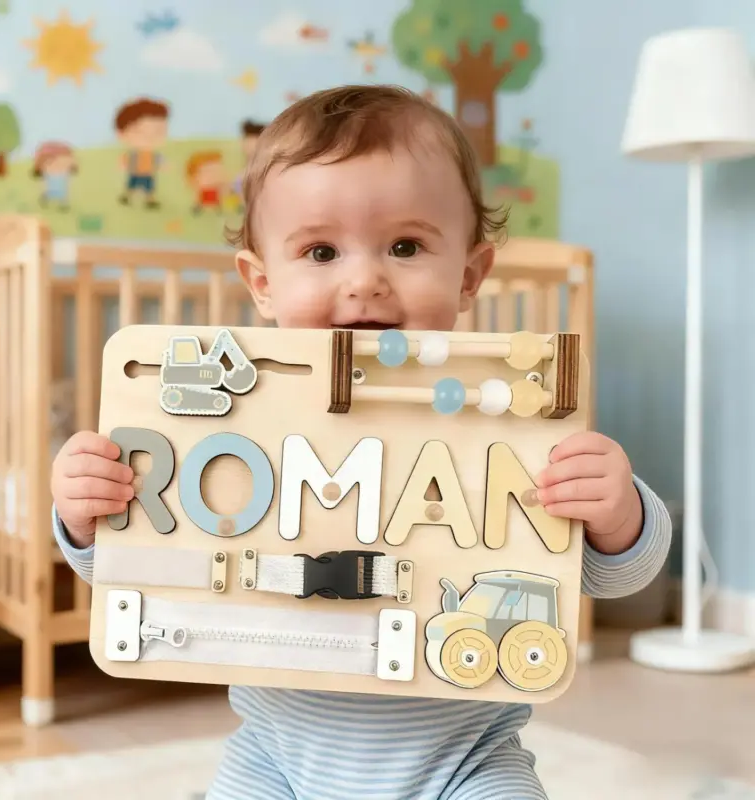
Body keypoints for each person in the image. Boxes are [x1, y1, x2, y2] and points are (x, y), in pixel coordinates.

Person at [50, 85, 672, 800]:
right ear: (262, 283)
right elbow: (144, 566)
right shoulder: (231, 419)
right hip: (275, 760)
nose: (364, 281)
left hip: (465, 761)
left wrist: (618, 515)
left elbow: (605, 576)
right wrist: (86, 513)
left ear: (469, 275)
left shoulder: (501, 416)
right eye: (320, 251)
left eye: (405, 246)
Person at [114, 97, 170, 209]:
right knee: (131, 185)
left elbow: (160, 161)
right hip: (135, 172)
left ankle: (150, 200)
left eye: (158, 132)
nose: (149, 138)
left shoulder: (154, 155)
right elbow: (125, 160)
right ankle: (126, 197)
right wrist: (122, 165)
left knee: (149, 188)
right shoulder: (133, 154)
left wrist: (164, 166)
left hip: (148, 173)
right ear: (122, 134)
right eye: (140, 132)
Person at [31, 141, 77, 211]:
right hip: (50, 191)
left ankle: (63, 205)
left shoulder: (64, 173)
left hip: (59, 191)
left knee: (61, 194)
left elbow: (67, 182)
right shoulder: (48, 174)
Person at [185, 150, 226, 215]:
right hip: (205, 194)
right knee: (201, 202)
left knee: (216, 202)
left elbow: (222, 182)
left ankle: (217, 209)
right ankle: (198, 208)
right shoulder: (200, 180)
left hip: (213, 194)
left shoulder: (216, 181)